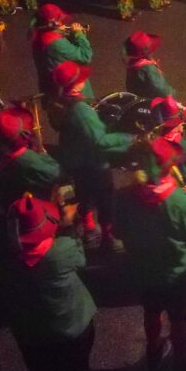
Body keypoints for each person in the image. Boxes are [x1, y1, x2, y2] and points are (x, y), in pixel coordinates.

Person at [113, 138, 186, 371]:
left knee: (151, 312)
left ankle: (153, 348)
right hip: (176, 272)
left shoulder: (124, 197)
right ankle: (180, 358)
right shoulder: (180, 201)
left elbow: (117, 231)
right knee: (179, 318)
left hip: (144, 270)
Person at [0, 193, 95, 371]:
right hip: (71, 328)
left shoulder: (4, 259)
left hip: (30, 333)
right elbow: (81, 261)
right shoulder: (62, 250)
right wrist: (70, 226)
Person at [53, 61, 136, 250]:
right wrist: (129, 138)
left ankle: (89, 228)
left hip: (75, 160)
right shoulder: (81, 111)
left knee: (84, 195)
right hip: (93, 163)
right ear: (75, 83)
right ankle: (107, 238)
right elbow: (100, 140)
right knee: (105, 199)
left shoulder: (59, 101)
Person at [0, 108, 63, 208]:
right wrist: (41, 150)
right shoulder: (26, 160)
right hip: (34, 206)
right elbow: (55, 173)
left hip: (11, 204)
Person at [30, 4, 94, 99]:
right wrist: (79, 34)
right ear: (52, 23)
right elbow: (85, 55)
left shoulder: (40, 34)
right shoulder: (56, 43)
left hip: (51, 88)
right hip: (68, 90)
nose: (62, 23)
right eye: (59, 20)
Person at [124, 30, 175, 98]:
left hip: (136, 95)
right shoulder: (148, 68)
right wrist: (172, 93)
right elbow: (161, 89)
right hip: (149, 99)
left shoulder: (133, 63)